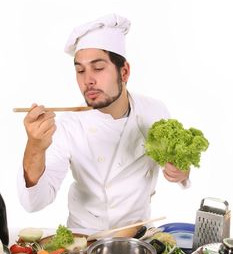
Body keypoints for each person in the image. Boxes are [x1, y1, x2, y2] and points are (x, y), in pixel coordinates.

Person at [17, 14, 190, 233]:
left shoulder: (155, 111)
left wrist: (181, 172)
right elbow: (34, 202)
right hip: (85, 241)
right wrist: (34, 147)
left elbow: (177, 166)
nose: (87, 80)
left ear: (124, 71)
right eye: (80, 70)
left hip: (137, 236)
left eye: (98, 68)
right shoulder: (69, 125)